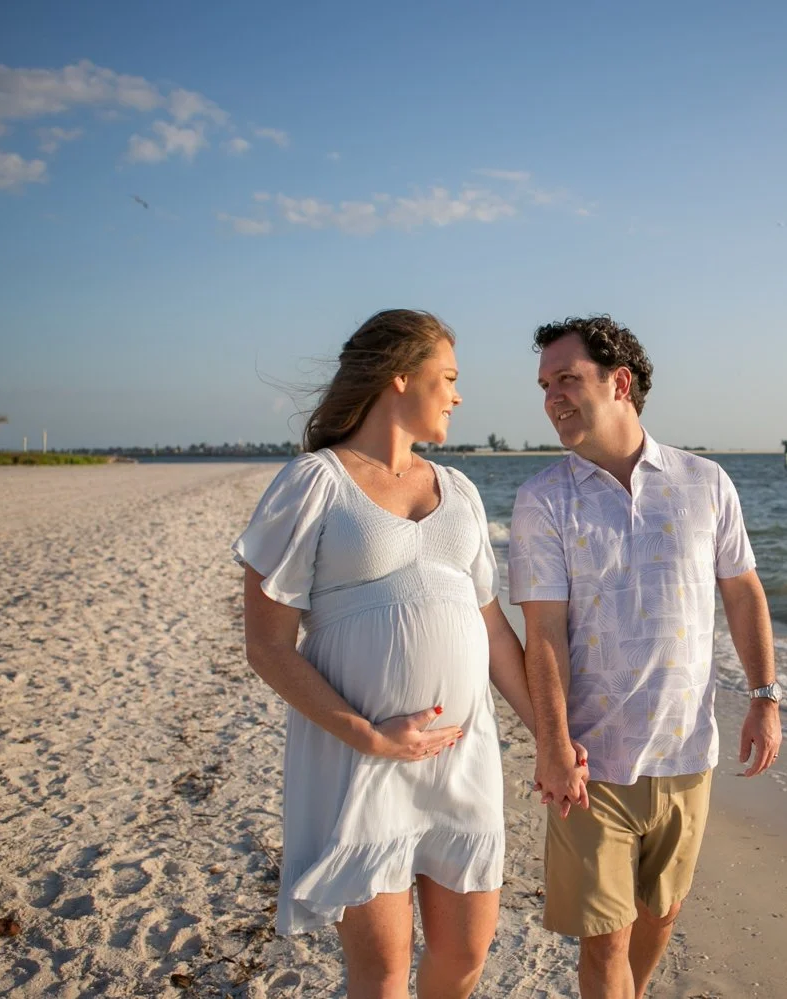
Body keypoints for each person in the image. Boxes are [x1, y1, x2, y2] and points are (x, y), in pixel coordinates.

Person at [232, 309, 568, 999]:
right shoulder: (316, 483)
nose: (458, 394)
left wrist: (550, 737)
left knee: (465, 956)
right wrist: (370, 735)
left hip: (462, 759)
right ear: (400, 376)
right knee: (381, 971)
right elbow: (266, 644)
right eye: (448, 376)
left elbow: (496, 634)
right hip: (360, 761)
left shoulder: (464, 493)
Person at [508, 315, 783, 999]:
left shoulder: (705, 481)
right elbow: (541, 632)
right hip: (592, 761)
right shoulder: (544, 498)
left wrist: (765, 695)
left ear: (620, 383)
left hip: (689, 750)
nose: (552, 398)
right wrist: (551, 740)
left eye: (567, 379)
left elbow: (743, 592)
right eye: (546, 385)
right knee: (605, 942)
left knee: (662, 913)